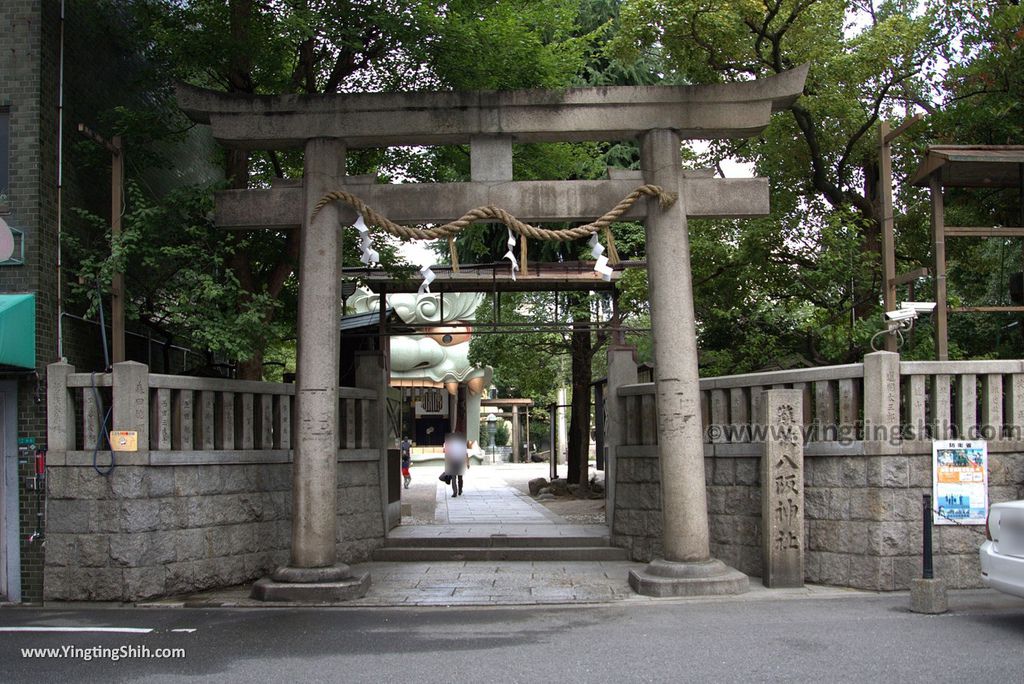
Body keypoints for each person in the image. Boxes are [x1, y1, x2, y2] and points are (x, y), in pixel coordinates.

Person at [443, 432, 469, 497]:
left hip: (453, 462)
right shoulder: (462, 444)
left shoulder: (450, 444)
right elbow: (466, 454)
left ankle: (455, 492)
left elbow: (447, 453)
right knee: (460, 478)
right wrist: (468, 463)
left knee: (453, 478)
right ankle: (460, 490)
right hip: (460, 462)